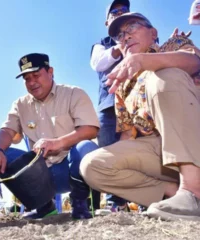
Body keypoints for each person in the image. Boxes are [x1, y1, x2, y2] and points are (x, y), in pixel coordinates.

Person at [80, 12, 200, 221]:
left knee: (163, 76)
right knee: (92, 164)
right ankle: (177, 195)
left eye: (132, 27)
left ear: (153, 33)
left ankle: (194, 190)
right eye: (120, 35)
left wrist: (145, 61)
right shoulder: (122, 83)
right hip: (160, 152)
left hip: (193, 136)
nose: (125, 37)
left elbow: (193, 62)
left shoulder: (172, 47)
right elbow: (128, 137)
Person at [0, 53, 100, 219]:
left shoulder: (73, 94)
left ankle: (79, 203)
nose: (32, 82)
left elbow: (91, 129)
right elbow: (6, 131)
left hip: (70, 170)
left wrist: (57, 143)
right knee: (5, 155)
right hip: (39, 175)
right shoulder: (20, 105)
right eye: (27, 79)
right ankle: (44, 207)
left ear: (50, 71)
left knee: (86, 148)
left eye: (36, 75)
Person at [90, 0, 130, 211]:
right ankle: (117, 200)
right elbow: (98, 63)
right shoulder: (101, 44)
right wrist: (119, 49)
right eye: (115, 12)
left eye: (124, 10)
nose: (120, 13)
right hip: (109, 107)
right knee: (109, 151)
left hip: (138, 105)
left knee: (139, 147)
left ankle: (145, 200)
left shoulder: (142, 37)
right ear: (107, 21)